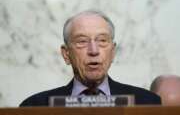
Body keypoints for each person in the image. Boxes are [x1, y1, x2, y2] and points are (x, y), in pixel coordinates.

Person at [20, 10, 161, 107]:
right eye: (82, 41)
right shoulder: (35, 106)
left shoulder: (147, 102)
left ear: (112, 52)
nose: (93, 51)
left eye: (102, 40)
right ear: (66, 54)